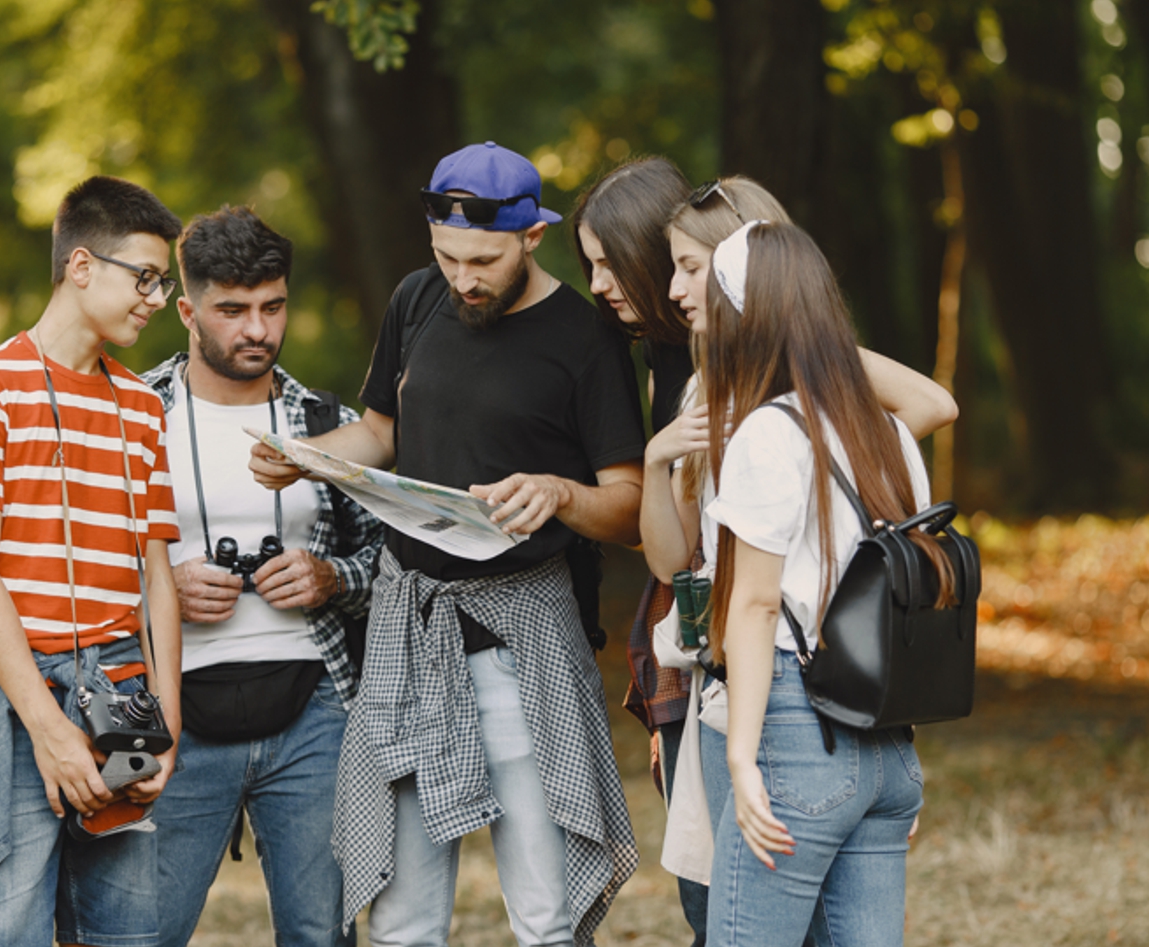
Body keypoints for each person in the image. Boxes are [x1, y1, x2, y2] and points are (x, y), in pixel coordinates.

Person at [250, 141, 644, 947]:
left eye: (483, 260)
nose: (462, 277)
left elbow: (631, 507)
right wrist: (305, 459)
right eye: (445, 254)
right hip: (407, 631)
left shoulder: (585, 334)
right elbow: (379, 433)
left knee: (546, 913)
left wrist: (562, 495)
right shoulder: (416, 299)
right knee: (400, 917)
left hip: (521, 637)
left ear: (532, 237)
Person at [0, 176, 184, 947]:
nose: (155, 297)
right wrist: (47, 725)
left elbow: (155, 579)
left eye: (161, 282)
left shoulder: (142, 407)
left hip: (119, 683)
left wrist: (166, 722)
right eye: (144, 276)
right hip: (6, 685)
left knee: (125, 930)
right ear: (79, 266)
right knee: (4, 926)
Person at [140, 206, 383, 947]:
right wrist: (161, 589)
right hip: (172, 712)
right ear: (186, 310)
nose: (257, 329)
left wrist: (328, 577)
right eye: (232, 310)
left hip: (314, 710)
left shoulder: (324, 418)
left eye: (272, 307)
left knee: (322, 934)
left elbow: (383, 562)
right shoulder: (131, 415)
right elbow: (76, 567)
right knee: (140, 930)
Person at [700, 220, 945, 945]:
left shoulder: (767, 435)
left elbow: (753, 601)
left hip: (795, 732)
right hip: (886, 742)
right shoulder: (888, 433)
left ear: (739, 318)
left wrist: (742, 758)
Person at [570, 156, 708, 945]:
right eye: (587, 263)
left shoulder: (748, 342)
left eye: (607, 262)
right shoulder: (659, 349)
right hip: (686, 627)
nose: (596, 283)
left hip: (751, 630)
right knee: (704, 883)